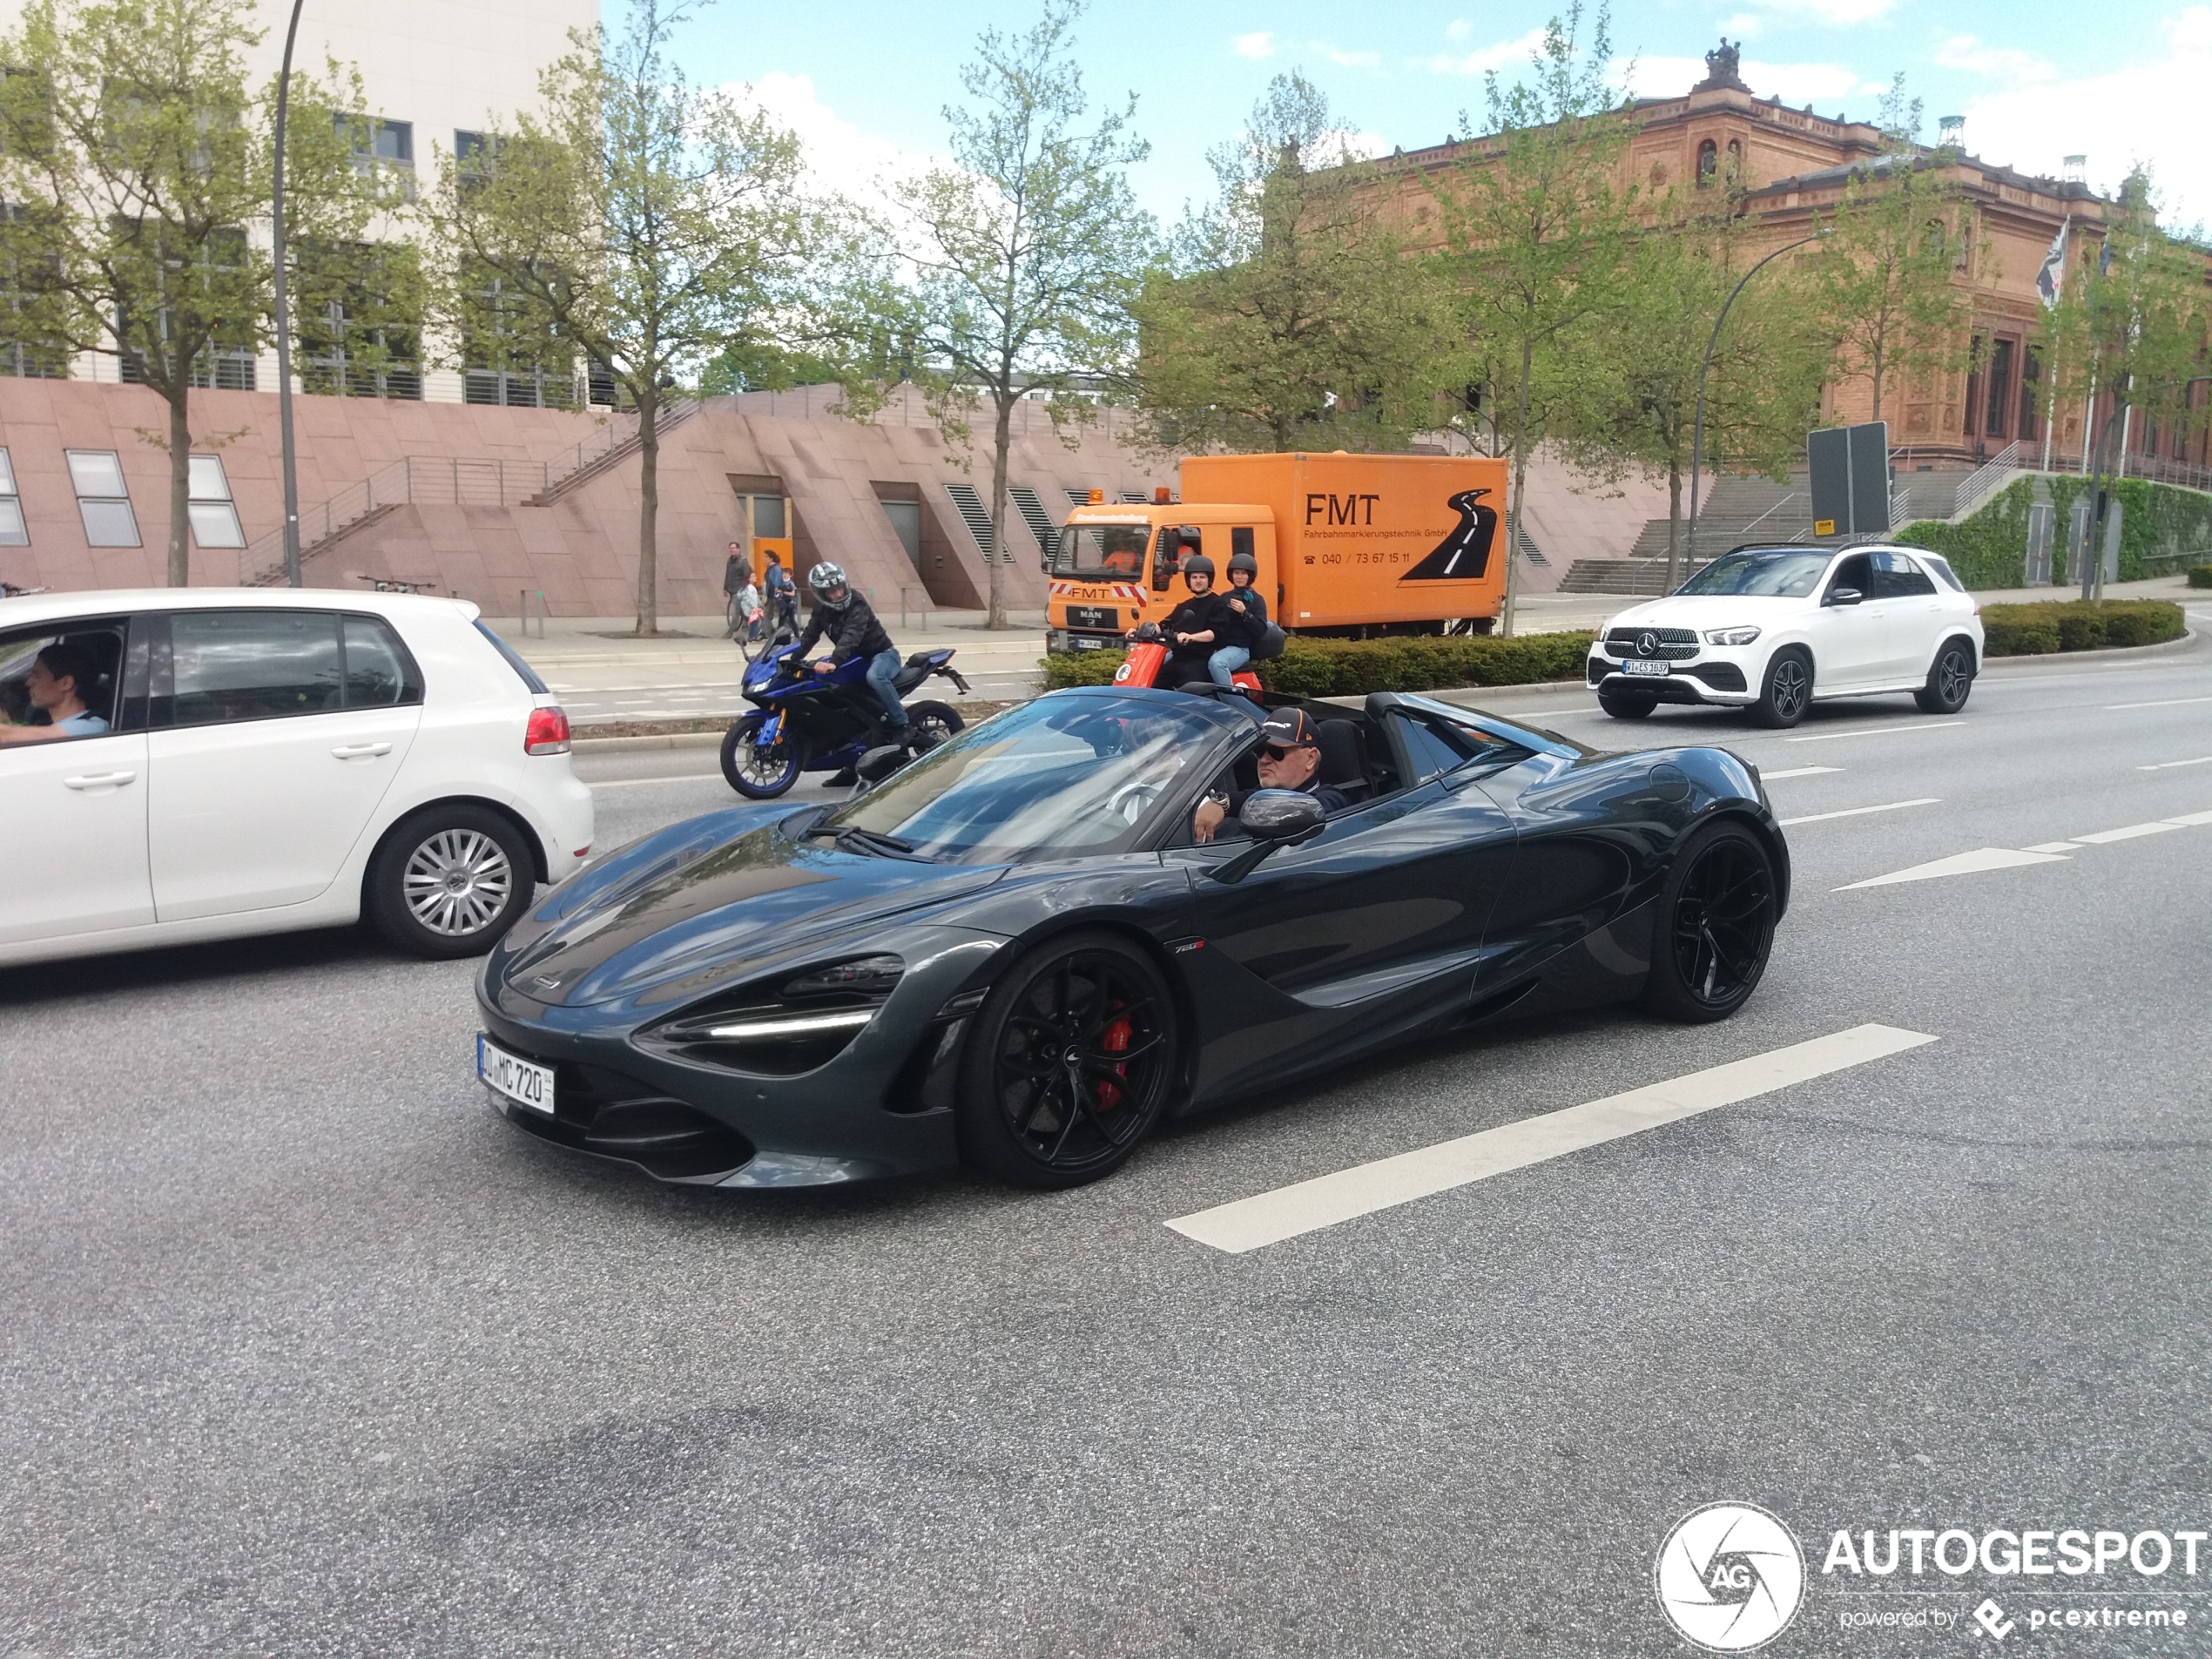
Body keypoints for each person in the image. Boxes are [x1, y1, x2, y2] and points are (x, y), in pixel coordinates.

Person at [1191, 708, 1348, 843]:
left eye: (1276, 752)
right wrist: (1222, 803)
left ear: (1310, 759)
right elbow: (1252, 797)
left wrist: (1226, 804)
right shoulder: (1254, 794)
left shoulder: (1332, 800)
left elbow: (1303, 809)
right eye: (1259, 751)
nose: (1265, 759)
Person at [797, 561, 907, 735]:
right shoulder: (821, 608)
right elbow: (810, 634)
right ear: (821, 595)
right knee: (826, 683)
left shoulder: (857, 603)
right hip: (854, 658)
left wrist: (835, 661)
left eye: (840, 588)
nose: (839, 594)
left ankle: (902, 724)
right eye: (832, 592)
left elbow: (851, 635)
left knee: (875, 677)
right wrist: (793, 658)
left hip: (882, 654)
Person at [1130, 549, 1231, 688]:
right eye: (1194, 577)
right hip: (1179, 657)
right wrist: (1141, 630)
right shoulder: (1184, 605)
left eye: (1202, 577)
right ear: (1189, 580)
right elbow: (1165, 624)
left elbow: (1215, 633)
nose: (1198, 581)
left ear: (1209, 579)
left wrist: (1191, 637)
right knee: (1154, 685)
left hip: (1199, 659)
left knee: (1190, 690)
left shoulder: (1218, 604)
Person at [0, 643, 109, 745]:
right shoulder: (45, 725)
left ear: (66, 683)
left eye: (37, 676)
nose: (28, 683)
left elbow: (5, 736)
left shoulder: (92, 728)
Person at [1209, 549, 1268, 686]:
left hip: (1239, 648)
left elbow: (1261, 630)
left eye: (1243, 573)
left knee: (1217, 663)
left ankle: (1230, 700)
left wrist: (1245, 613)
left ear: (1250, 576)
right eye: (1236, 573)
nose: (1239, 577)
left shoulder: (1257, 600)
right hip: (1220, 647)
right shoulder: (1224, 597)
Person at [763, 551, 798, 636]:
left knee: (783, 614)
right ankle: (768, 631)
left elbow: (776, 583)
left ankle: (790, 631)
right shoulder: (770, 568)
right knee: (769, 613)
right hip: (771, 594)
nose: (764, 559)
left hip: (776, 595)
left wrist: (777, 595)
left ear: (771, 558)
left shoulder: (776, 568)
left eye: (766, 557)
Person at [723, 541, 750, 638]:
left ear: (739, 549)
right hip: (732, 589)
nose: (732, 550)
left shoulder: (743, 561)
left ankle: (731, 631)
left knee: (736, 612)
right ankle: (748, 624)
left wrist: (744, 588)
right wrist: (725, 588)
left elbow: (747, 575)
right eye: (730, 548)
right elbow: (728, 575)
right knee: (741, 610)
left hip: (739, 590)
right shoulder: (730, 561)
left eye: (734, 548)